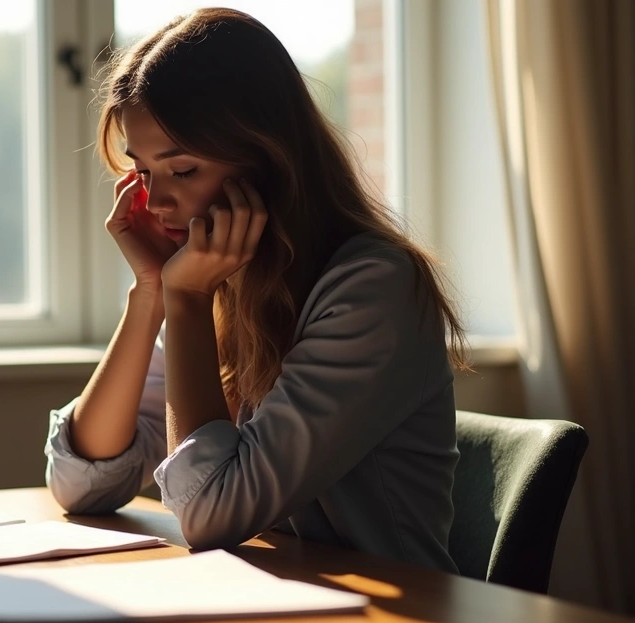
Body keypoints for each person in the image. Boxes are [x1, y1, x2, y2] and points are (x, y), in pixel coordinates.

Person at [44, 7, 468, 574]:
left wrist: (187, 300)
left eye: (184, 170)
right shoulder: (217, 279)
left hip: (387, 618)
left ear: (267, 158)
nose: (158, 201)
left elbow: (211, 514)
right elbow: (80, 482)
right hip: (273, 600)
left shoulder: (372, 288)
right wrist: (150, 293)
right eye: (143, 173)